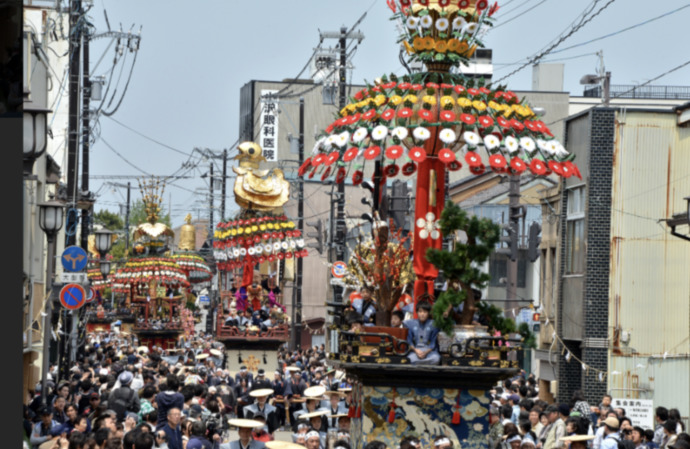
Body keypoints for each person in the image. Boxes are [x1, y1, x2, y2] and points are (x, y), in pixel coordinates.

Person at [403, 301, 441, 365]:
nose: (422, 314)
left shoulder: (433, 324)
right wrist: (416, 351)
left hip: (429, 352)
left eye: (425, 312)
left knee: (436, 358)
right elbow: (409, 341)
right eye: (420, 311)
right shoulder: (411, 324)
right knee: (409, 359)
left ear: (429, 313)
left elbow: (433, 342)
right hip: (415, 351)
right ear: (417, 312)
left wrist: (426, 352)